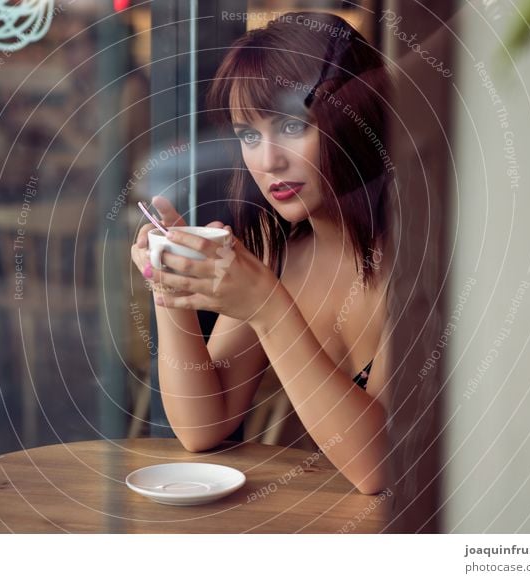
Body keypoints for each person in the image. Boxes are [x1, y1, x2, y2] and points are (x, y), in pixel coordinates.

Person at [130, 12, 392, 494]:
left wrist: (269, 308)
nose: (268, 160)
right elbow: (202, 427)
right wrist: (171, 288)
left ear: (353, 119)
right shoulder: (280, 252)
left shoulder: (416, 262)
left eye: (293, 125)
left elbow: (379, 466)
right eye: (249, 135)